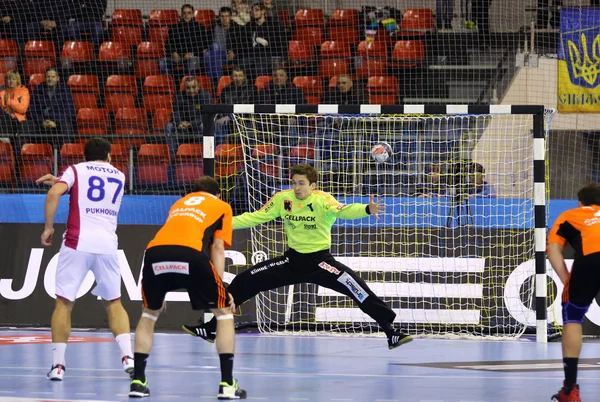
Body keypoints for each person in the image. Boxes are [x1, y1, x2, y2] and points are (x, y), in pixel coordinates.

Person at [182, 164, 413, 350]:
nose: (297, 187)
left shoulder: (323, 200)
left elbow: (344, 211)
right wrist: (224, 223)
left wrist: (365, 209)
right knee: (245, 280)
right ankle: (212, 329)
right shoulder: (284, 199)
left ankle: (391, 332)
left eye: (301, 183)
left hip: (321, 263)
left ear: (313, 185)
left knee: (358, 289)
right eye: (294, 183)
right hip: (291, 262)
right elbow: (256, 217)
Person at [128, 176, 246, 400]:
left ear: (193, 192)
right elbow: (218, 247)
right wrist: (220, 288)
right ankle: (228, 384)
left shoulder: (179, 203)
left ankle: (138, 381)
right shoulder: (222, 206)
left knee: (149, 314)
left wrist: (159, 289)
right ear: (217, 194)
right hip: (189, 254)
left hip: (155, 254)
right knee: (224, 313)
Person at [38, 138, 133, 381]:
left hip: (76, 243)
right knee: (114, 302)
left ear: (85, 155)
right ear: (109, 156)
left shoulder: (74, 170)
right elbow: (93, 186)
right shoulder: (121, 175)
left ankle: (58, 366)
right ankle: (128, 358)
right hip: (107, 245)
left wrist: (48, 227)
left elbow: (54, 194)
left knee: (64, 303)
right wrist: (63, 179)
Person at [546, 183, 600, 402]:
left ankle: (570, 389)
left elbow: (553, 249)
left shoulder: (571, 215)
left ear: (581, 203)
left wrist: (567, 279)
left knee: (573, 318)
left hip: (590, 260)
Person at [21, 68, 76, 149]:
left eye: (53, 77)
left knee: (66, 126)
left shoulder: (65, 90)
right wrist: (42, 121)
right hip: (41, 122)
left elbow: (70, 112)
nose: (50, 79)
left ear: (58, 78)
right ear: (45, 78)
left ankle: (65, 157)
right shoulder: (38, 89)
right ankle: (20, 157)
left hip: (58, 122)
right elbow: (32, 110)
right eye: (48, 77)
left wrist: (55, 121)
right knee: (25, 125)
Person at [0, 70, 30, 145]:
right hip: (5, 118)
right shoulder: (2, 92)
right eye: (9, 79)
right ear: (6, 80)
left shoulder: (24, 91)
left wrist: (9, 101)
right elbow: (3, 107)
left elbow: (23, 109)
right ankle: (5, 139)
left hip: (19, 120)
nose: (11, 81)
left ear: (17, 80)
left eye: (13, 79)